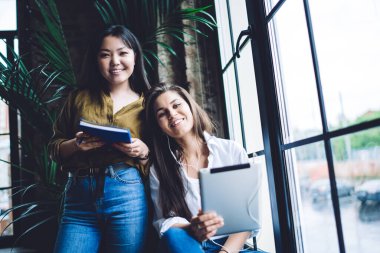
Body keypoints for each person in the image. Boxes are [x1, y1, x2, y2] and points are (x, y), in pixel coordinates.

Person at [48, 25, 150, 253]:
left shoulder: (149, 104)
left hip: (128, 193)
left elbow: (164, 160)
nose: (115, 61)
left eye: (122, 53)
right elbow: (54, 148)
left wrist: (143, 151)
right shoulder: (78, 98)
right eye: (105, 54)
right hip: (78, 196)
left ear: (135, 57)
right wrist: (75, 145)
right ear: (96, 60)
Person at [144, 83, 261, 253]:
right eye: (162, 113)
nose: (172, 114)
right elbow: (162, 221)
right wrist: (192, 227)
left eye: (176, 105)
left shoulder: (230, 151)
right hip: (187, 244)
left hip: (231, 247)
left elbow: (247, 218)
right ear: (158, 126)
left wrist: (225, 252)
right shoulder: (159, 169)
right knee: (173, 236)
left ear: (190, 106)